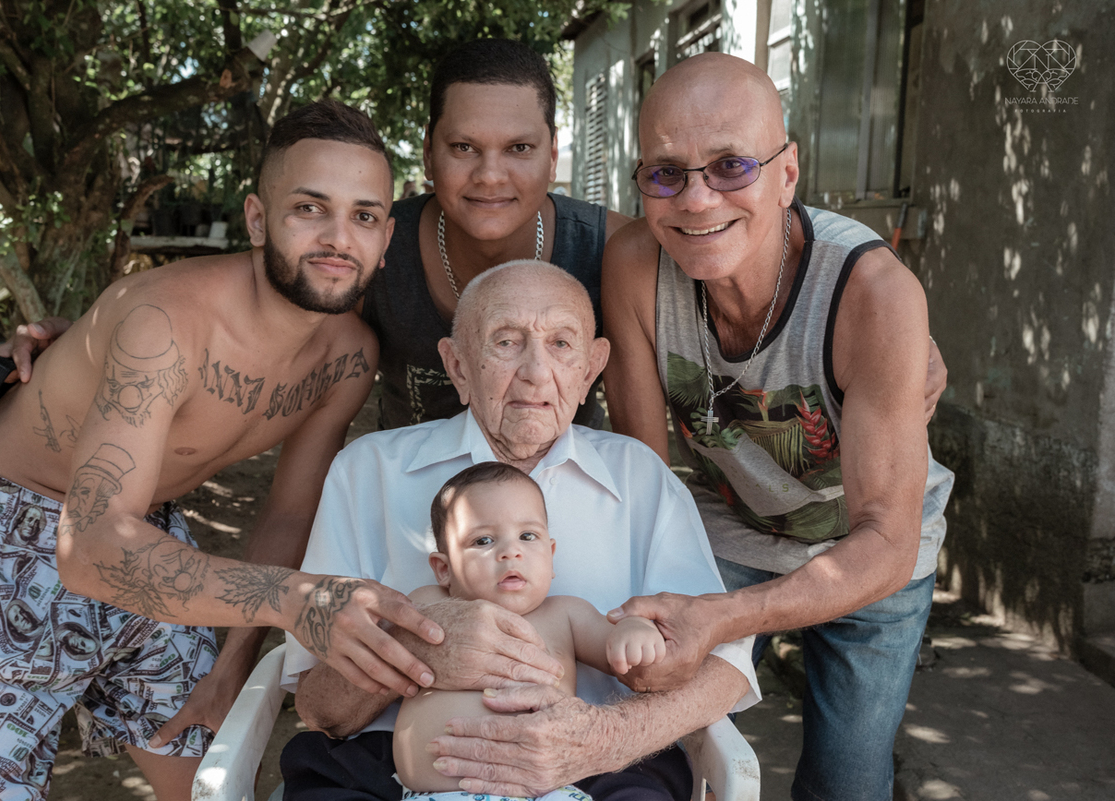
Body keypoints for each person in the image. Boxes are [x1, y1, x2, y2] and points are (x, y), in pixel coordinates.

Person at [0, 99, 456, 801]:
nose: (337, 238)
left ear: (386, 237)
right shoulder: (166, 319)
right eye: (309, 208)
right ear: (257, 218)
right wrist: (291, 599)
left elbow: (289, 512)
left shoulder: (349, 357)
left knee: (210, 779)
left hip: (149, 536)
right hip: (0, 539)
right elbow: (91, 547)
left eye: (364, 216)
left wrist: (234, 664)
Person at [600, 53, 955, 801]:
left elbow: (887, 540)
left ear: (787, 174)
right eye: (666, 173)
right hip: (730, 525)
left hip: (867, 548)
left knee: (848, 780)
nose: (696, 200)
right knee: (654, 735)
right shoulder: (634, 264)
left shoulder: (873, 293)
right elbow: (642, 478)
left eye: (731, 166)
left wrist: (724, 617)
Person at [280, 260, 759, 801]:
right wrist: (415, 649)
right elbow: (319, 705)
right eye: (506, 342)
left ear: (591, 369)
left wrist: (606, 737)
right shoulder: (368, 470)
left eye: (561, 344)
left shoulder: (639, 476)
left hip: (597, 758)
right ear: (458, 366)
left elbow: (724, 665)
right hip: (396, 763)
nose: (535, 371)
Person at [362, 38, 630, 430]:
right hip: (405, 471)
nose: (489, 176)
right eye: (463, 147)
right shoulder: (373, 247)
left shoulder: (614, 250)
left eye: (519, 147)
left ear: (552, 155)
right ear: (428, 153)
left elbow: (638, 454)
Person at [393, 461, 666, 799]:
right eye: (483, 540)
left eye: (527, 536)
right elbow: (384, 643)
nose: (511, 551)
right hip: (437, 795)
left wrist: (635, 628)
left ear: (550, 555)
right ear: (443, 569)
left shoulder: (566, 614)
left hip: (544, 791)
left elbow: (615, 648)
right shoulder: (428, 604)